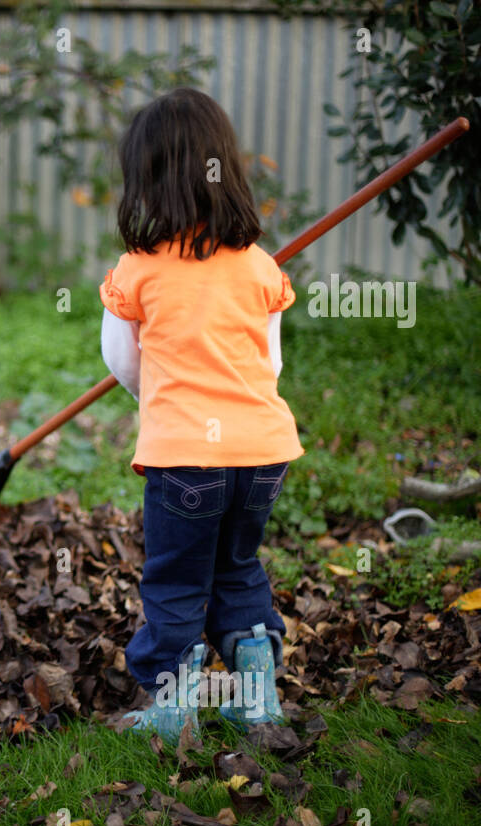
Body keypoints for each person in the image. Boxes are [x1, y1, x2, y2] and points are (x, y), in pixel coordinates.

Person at [98, 88, 301, 742]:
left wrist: (162, 408)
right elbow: (270, 367)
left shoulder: (137, 270)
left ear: (146, 181)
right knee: (239, 569)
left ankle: (173, 705)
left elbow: (121, 365)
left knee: (177, 578)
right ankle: (255, 698)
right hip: (264, 452)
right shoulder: (260, 266)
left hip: (186, 457)